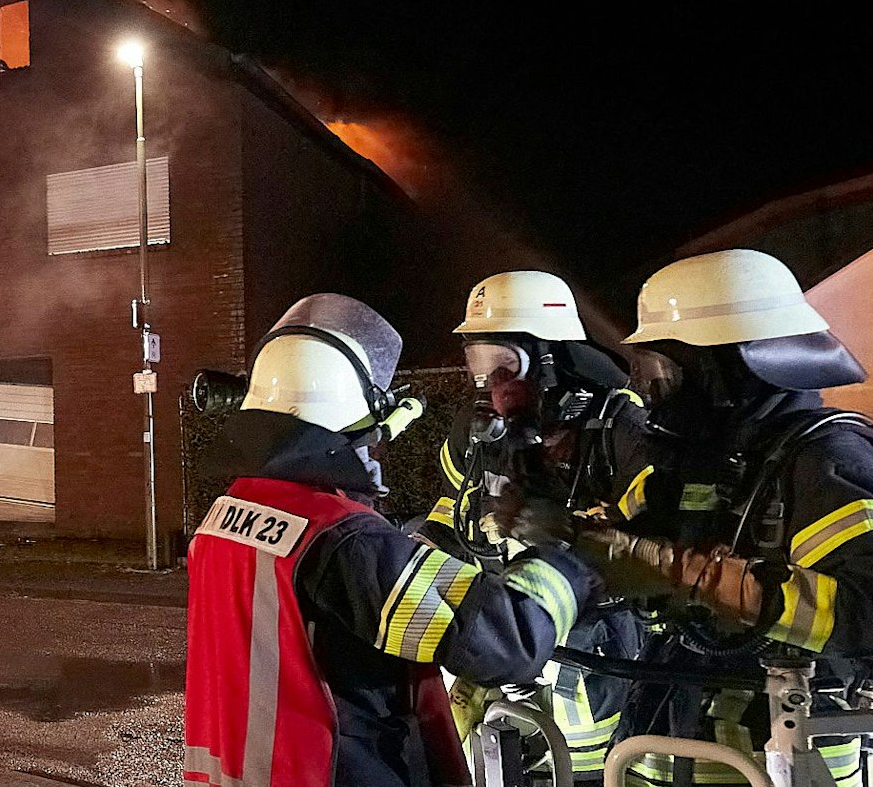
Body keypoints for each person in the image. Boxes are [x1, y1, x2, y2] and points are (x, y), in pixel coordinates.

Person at [184, 293, 599, 787]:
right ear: (352, 417)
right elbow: (505, 641)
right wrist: (581, 559)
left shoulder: (229, 513)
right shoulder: (339, 537)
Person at [575, 249, 873, 787]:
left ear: (724, 369)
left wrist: (722, 585)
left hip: (783, 754)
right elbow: (642, 547)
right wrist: (581, 545)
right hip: (673, 731)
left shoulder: (825, 458)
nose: (649, 390)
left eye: (663, 370)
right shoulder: (701, 460)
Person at [419, 269, 649, 784]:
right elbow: (453, 506)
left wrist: (568, 529)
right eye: (477, 362)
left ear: (549, 357)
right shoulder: (478, 432)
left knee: (581, 755)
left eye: (503, 363)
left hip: (592, 631)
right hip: (504, 615)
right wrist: (425, 544)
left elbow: (650, 532)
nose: (488, 382)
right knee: (455, 740)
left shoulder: (617, 424)